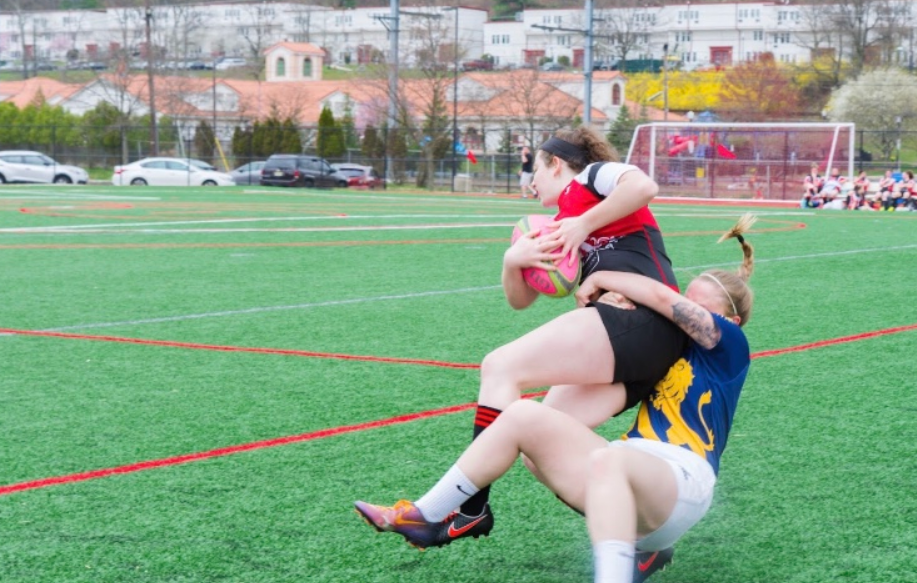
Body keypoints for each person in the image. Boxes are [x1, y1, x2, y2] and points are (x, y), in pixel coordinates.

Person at [355, 215, 756, 583]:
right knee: (523, 419)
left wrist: (605, 280)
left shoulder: (731, 346)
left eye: (700, 308)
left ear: (731, 322)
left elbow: (665, 299)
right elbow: (592, 396)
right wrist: (613, 312)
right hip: (629, 481)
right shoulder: (665, 348)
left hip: (683, 481)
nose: (685, 312)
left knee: (610, 458)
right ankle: (427, 515)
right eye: (688, 299)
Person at [456, 126, 686, 532]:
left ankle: (468, 508)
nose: (532, 182)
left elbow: (644, 186)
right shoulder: (558, 222)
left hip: (648, 322)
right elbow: (520, 301)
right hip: (635, 348)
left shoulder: (593, 176)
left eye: (536, 172)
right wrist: (513, 260)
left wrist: (582, 225)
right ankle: (646, 536)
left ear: (557, 164)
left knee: (501, 366)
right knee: (538, 449)